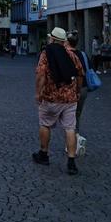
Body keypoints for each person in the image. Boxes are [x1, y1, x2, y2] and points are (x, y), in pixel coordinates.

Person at [32, 27, 84, 176]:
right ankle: (71, 162)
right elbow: (80, 73)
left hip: (50, 97)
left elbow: (41, 75)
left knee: (45, 124)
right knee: (70, 128)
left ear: (52, 39)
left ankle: (43, 154)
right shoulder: (71, 54)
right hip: (69, 98)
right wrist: (77, 91)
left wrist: (38, 93)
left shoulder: (45, 54)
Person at [67, 31, 89, 156]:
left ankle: (74, 142)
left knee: (69, 118)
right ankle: (76, 137)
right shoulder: (83, 54)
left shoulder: (67, 55)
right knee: (77, 115)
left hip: (72, 88)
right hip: (84, 88)